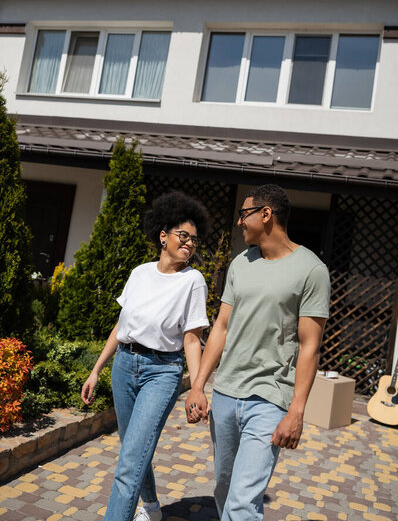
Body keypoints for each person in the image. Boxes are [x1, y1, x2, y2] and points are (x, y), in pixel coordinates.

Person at [185, 184, 330, 521]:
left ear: (266, 214)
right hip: (225, 393)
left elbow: (310, 346)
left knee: (242, 501)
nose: (239, 222)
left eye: (244, 214)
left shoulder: (311, 271)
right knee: (224, 488)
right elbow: (220, 327)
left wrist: (296, 412)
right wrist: (198, 385)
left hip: (269, 397)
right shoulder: (240, 264)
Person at [81, 191, 209, 521]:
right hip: (124, 366)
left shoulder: (192, 281)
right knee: (133, 451)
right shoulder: (139, 273)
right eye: (184, 235)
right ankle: (152, 507)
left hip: (161, 372)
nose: (190, 244)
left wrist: (197, 388)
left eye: (195, 240)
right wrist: (97, 369)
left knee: (130, 460)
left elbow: (192, 339)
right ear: (163, 235)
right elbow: (121, 326)